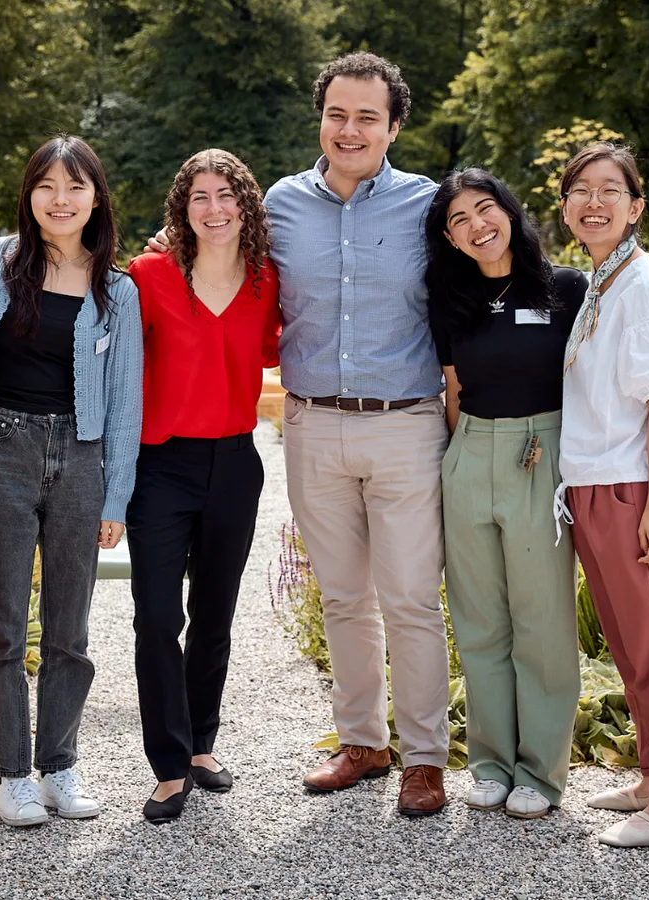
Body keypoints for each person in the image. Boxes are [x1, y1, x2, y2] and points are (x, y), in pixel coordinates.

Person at [147, 51, 450, 817]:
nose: (350, 129)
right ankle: (362, 742)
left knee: (411, 598)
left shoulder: (426, 205)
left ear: (394, 125)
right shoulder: (280, 203)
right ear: (321, 117)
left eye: (367, 117)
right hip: (311, 425)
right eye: (337, 113)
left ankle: (424, 757)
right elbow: (214, 249)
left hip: (405, 424)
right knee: (346, 597)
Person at [0, 134, 142, 828]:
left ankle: (59, 765)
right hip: (0, 449)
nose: (60, 200)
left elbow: (126, 402)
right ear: (29, 194)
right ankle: (10, 775)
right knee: (3, 627)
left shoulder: (116, 288)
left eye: (75, 187)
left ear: (95, 196)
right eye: (47, 186)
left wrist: (116, 497)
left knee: (70, 630)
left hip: (83, 457)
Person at [553, 142, 649, 847]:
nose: (593, 201)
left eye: (609, 189)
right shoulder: (600, 281)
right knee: (626, 643)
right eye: (579, 190)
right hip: (592, 485)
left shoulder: (642, 284)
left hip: (629, 489)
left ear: (636, 206)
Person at [424, 167, 588, 821]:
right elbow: (453, 391)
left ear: (511, 213)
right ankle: (490, 763)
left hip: (539, 456)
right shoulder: (448, 296)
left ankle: (541, 774)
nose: (476, 225)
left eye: (485, 209)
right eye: (459, 219)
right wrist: (462, 461)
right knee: (479, 622)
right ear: (449, 237)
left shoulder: (565, 288)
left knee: (541, 622)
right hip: (470, 456)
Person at [125, 149, 281, 824]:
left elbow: (279, 349)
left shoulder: (268, 281)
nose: (215, 209)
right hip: (161, 466)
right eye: (200, 198)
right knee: (158, 615)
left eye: (227, 196)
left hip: (235, 462)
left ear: (245, 205)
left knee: (215, 612)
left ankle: (201, 746)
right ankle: (167, 764)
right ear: (181, 210)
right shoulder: (149, 275)